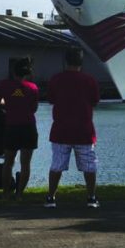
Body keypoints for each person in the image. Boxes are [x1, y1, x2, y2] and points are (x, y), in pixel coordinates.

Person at [44, 47, 100, 209]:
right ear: (81, 62)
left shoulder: (56, 79)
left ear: (66, 61)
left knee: (56, 166)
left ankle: (51, 197)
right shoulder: (90, 80)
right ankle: (91, 197)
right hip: (84, 130)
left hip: (61, 129)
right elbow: (95, 101)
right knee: (89, 166)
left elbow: (51, 100)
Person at [0, 56, 39, 200]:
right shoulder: (33, 87)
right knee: (25, 164)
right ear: (26, 73)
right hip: (28, 127)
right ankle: (19, 194)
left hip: (11, 126)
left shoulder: (4, 85)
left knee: (8, 162)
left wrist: (6, 105)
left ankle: (5, 194)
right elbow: (34, 108)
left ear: (13, 72)